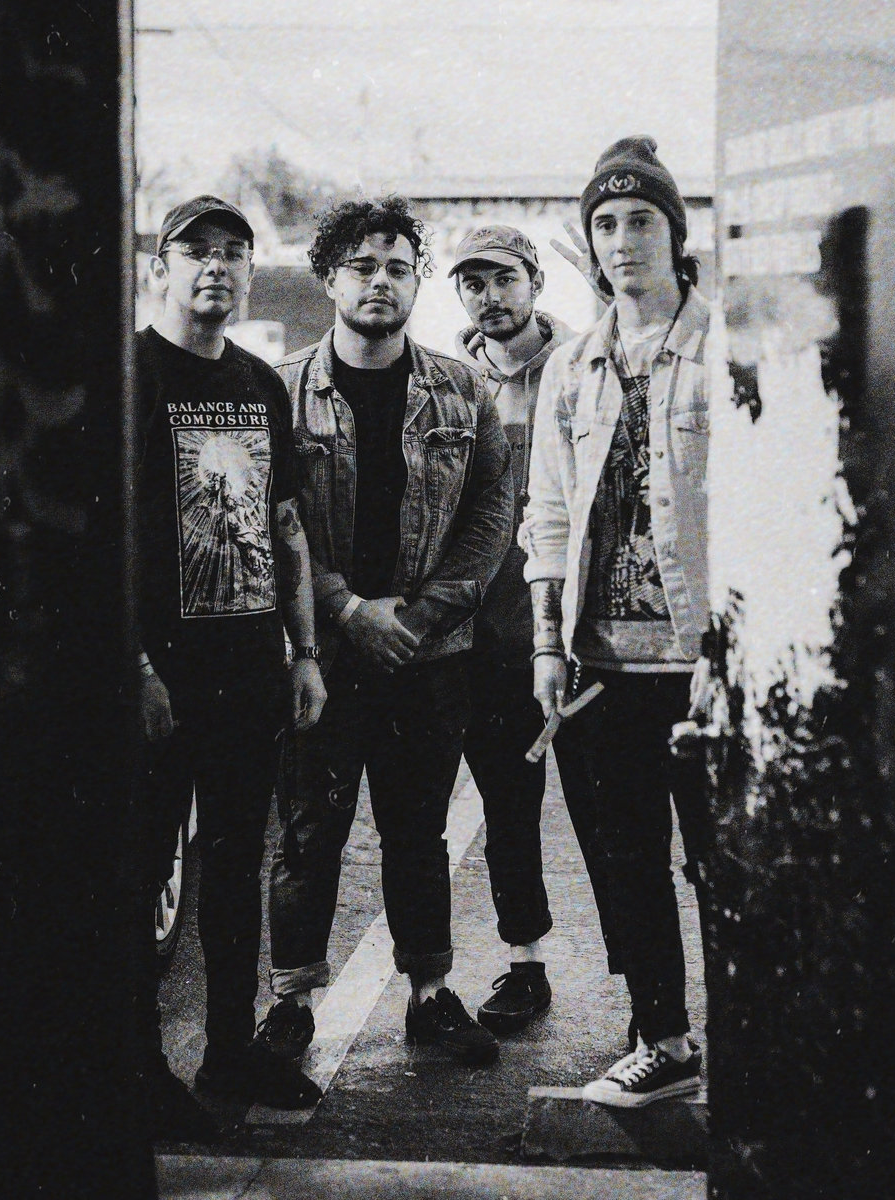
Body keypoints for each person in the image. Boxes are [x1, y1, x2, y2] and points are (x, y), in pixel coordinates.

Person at [259, 196, 514, 1070]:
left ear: (417, 281)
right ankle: (291, 1004)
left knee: (418, 832)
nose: (380, 282)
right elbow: (273, 517)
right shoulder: (281, 390)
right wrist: (345, 609)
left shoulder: (463, 389)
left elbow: (492, 513)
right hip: (323, 657)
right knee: (309, 832)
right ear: (329, 280)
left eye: (398, 268)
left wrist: (422, 614)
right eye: (362, 267)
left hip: (427, 654)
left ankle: (430, 996)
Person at [520, 137, 714, 1107]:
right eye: (604, 223)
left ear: (676, 234)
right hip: (603, 662)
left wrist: (733, 650)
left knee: (725, 859)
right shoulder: (571, 366)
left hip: (703, 659)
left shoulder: (725, 349)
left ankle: (768, 1040)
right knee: (628, 859)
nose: (623, 239)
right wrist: (547, 642)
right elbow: (549, 514)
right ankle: (664, 1040)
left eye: (642, 220)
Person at [134, 195, 327, 1130]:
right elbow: (99, 539)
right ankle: (133, 1066)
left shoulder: (258, 383)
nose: (216, 265)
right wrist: (133, 666)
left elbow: (284, 524)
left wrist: (305, 651)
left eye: (233, 252)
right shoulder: (129, 376)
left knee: (236, 859)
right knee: (139, 868)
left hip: (248, 665)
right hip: (160, 675)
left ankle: (229, 1049)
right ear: (160, 269)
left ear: (250, 272)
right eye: (196, 250)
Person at [448, 226, 622, 1034]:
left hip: (578, 640)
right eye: (473, 282)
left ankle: (646, 993)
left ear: (535, 282)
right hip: (490, 642)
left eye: (504, 278)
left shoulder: (584, 364)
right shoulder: (450, 384)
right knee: (508, 814)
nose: (490, 296)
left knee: (608, 817)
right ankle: (524, 965)